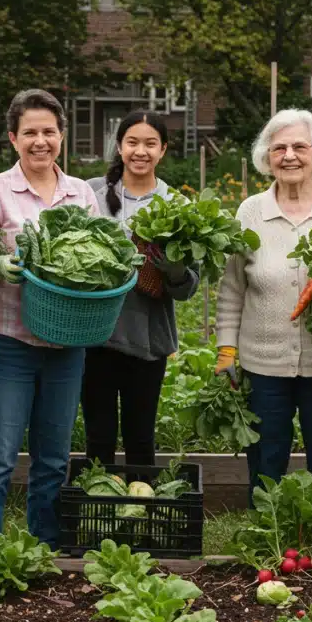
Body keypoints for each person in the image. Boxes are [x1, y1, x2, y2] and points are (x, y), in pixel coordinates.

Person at [0, 89, 100, 548]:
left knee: (53, 456)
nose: (40, 141)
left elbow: (102, 258)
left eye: (48, 131)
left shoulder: (81, 193)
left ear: (61, 136)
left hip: (67, 344)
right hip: (7, 342)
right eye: (30, 133)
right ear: (12, 138)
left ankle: (45, 547)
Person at [214, 109, 312, 502]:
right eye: (279, 148)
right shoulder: (250, 212)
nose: (290, 155)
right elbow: (232, 289)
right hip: (262, 366)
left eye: (300, 146)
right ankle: (268, 536)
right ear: (267, 157)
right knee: (266, 464)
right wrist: (226, 349)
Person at [81, 111, 199, 466]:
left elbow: (187, 289)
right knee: (98, 434)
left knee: (140, 434)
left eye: (150, 143)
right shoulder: (91, 194)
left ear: (163, 150)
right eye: (132, 142)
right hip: (95, 335)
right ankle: (99, 506)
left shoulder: (178, 206)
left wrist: (175, 272)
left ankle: (140, 510)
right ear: (119, 146)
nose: (140, 151)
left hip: (149, 338)